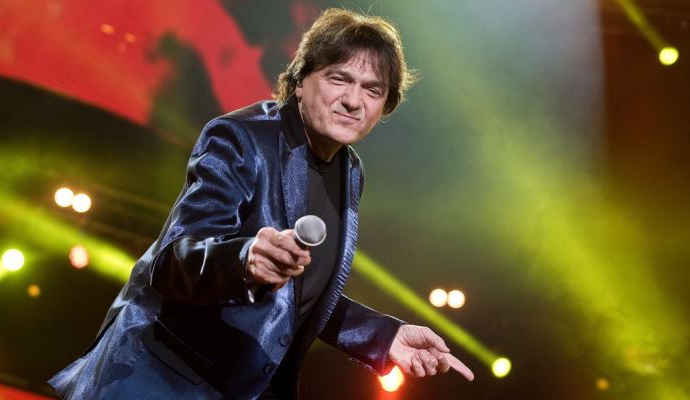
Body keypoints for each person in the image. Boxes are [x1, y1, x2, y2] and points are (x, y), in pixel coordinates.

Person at [49, 8, 473, 399]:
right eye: (338, 79)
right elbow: (175, 260)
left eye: (372, 90)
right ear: (301, 80)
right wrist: (244, 259)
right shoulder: (241, 137)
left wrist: (383, 337)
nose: (353, 100)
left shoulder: (350, 172)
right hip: (158, 379)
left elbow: (299, 295)